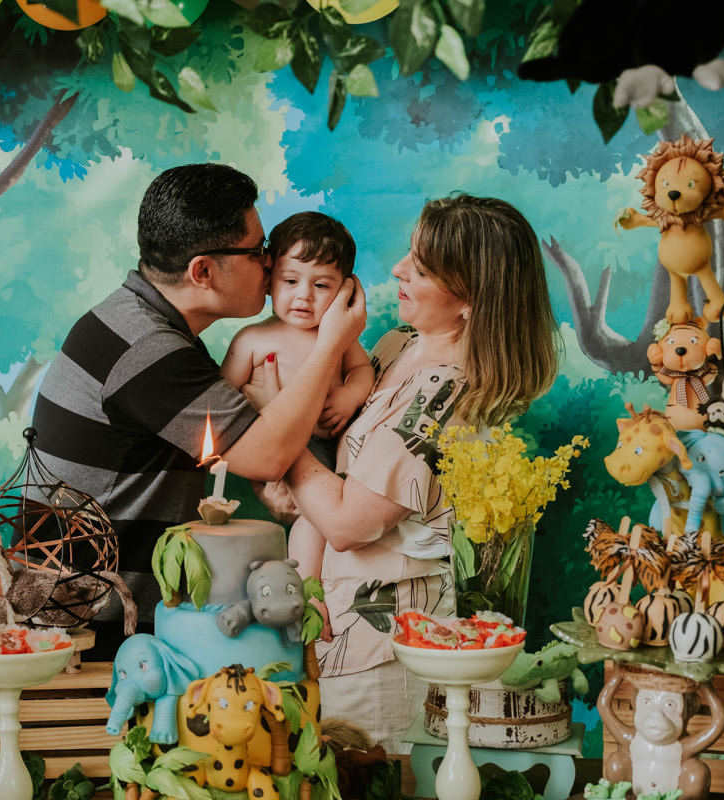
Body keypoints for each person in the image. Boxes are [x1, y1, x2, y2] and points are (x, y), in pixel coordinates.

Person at [255, 194, 559, 752]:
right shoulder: (397, 346)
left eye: (418, 267)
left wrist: (278, 433)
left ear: (469, 300)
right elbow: (337, 471)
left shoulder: (448, 391)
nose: (396, 269)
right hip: (325, 625)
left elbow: (348, 522)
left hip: (377, 649)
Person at [30, 164, 365, 656]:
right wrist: (333, 342)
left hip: (101, 614)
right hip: (89, 626)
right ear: (202, 271)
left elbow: (232, 454)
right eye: (257, 252)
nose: (270, 264)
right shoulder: (148, 350)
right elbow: (266, 455)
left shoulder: (140, 325)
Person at [221, 211, 375, 473]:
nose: (304, 295)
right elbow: (223, 400)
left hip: (332, 444)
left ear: (343, 289)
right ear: (269, 280)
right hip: (269, 443)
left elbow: (361, 370)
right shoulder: (251, 339)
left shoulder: (337, 334)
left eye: (322, 285)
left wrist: (350, 395)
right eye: (291, 281)